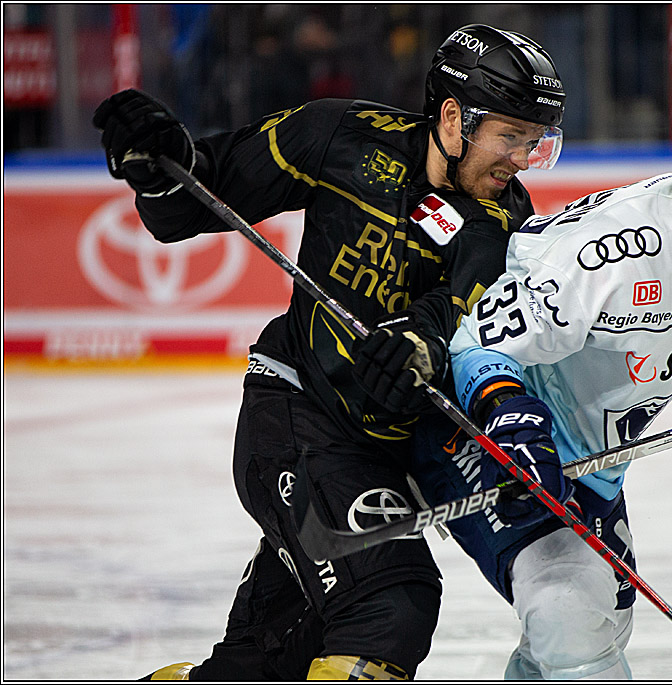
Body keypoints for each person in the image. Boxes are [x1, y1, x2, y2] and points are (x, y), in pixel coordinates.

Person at [92, 24, 565, 681]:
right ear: (454, 117)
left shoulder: (503, 217)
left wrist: (421, 347)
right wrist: (162, 160)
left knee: (268, 660)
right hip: (295, 413)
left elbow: (466, 313)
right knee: (388, 603)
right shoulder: (340, 135)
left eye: (536, 142)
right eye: (511, 137)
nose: (521, 157)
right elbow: (194, 200)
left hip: (379, 457)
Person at [411, 85, 672, 679]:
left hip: (593, 466)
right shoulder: (602, 258)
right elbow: (476, 343)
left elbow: (669, 325)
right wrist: (511, 420)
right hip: (488, 437)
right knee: (570, 617)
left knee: (594, 630)